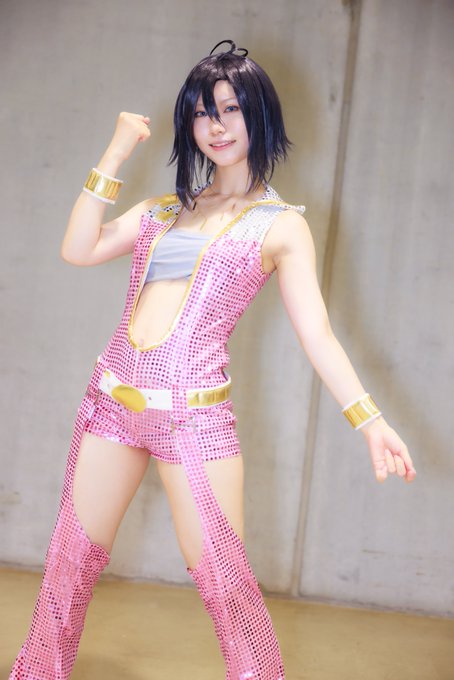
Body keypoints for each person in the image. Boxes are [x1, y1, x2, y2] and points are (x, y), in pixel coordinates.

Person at [9, 39, 416, 680]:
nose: (217, 126)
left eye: (231, 109)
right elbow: (78, 248)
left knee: (224, 579)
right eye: (202, 113)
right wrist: (114, 153)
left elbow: (318, 334)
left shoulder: (280, 225)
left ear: (259, 115)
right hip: (110, 405)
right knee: (69, 562)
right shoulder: (165, 209)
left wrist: (370, 420)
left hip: (193, 419)